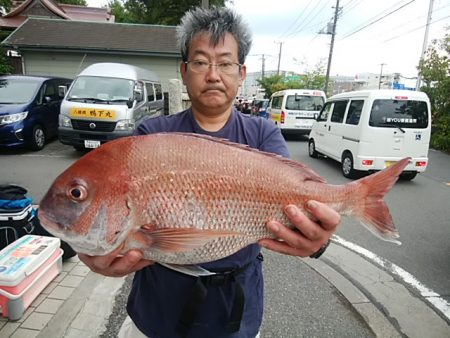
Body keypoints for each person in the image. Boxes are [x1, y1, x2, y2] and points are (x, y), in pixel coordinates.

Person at [79, 6, 340, 338]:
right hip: (159, 308)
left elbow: (295, 201)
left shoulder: (263, 135)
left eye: (225, 63)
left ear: (242, 72)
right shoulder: (150, 137)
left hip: (236, 307)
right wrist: (98, 251)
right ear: (184, 70)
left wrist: (317, 241)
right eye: (201, 62)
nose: (213, 74)